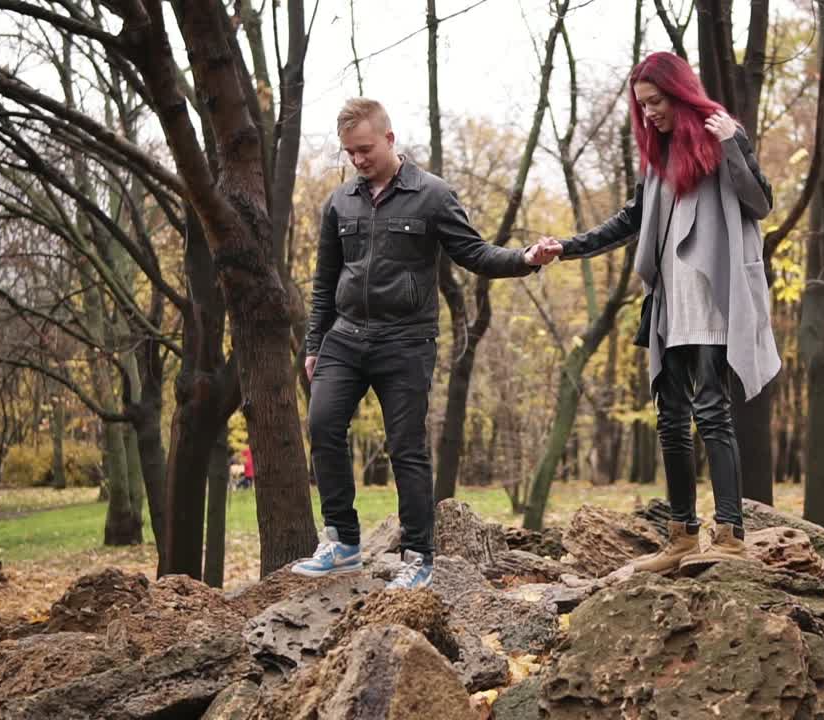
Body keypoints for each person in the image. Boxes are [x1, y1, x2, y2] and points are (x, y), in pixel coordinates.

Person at [293, 98, 559, 585]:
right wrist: (314, 344)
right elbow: (324, 279)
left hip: (405, 341)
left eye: (365, 149)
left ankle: (418, 557)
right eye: (349, 152)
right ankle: (342, 542)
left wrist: (526, 258)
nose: (357, 160)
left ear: (389, 140)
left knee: (406, 448)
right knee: (323, 424)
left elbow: (475, 253)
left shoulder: (432, 195)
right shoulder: (340, 203)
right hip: (345, 337)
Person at [539, 52, 779, 575]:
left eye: (656, 101)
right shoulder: (658, 159)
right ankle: (681, 535)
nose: (648, 113)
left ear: (679, 93)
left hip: (714, 299)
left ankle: (731, 535)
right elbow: (630, 220)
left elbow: (759, 202)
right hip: (670, 304)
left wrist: (731, 143)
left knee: (712, 412)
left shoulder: (722, 140)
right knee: (670, 419)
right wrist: (569, 246)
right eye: (642, 105)